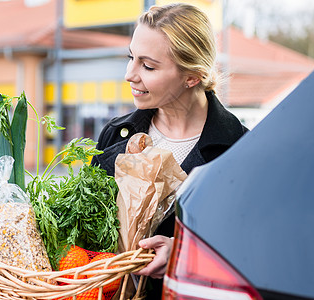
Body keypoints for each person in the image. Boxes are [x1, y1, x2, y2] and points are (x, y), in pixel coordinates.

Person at [91, 2, 248, 298]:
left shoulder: (240, 152)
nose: (130, 74)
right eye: (131, 58)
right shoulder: (114, 135)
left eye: (148, 66)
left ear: (192, 76)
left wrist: (183, 254)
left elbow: (254, 251)